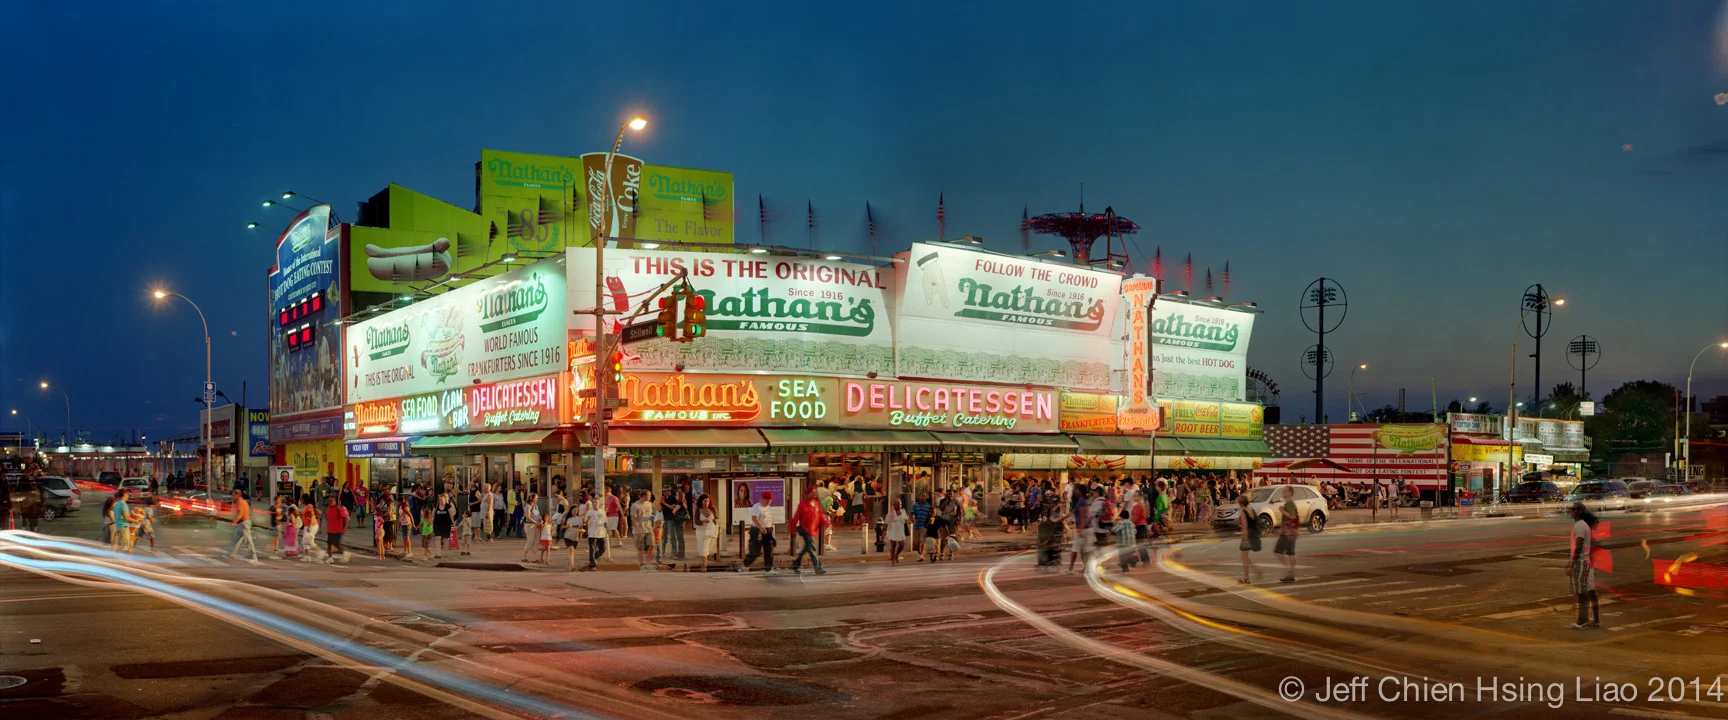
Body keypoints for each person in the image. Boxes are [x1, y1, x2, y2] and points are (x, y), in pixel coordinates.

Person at [1566, 502, 1601, 629]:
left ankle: (1582, 621)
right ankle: (1591, 619)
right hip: (1585, 562)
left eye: (1573, 509)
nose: (1570, 511)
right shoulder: (1581, 525)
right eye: (1570, 509)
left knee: (1583, 592)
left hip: (1583, 562)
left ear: (1580, 511)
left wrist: (1572, 564)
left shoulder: (1581, 526)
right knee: (1587, 592)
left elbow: (1579, 546)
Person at [789, 490, 829, 575]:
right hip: (805, 530)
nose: (814, 494)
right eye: (812, 492)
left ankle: (795, 564)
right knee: (811, 549)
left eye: (815, 492)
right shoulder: (802, 505)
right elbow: (795, 518)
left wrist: (826, 522)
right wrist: (792, 529)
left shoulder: (817, 504)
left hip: (814, 530)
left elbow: (821, 514)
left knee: (807, 548)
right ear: (807, 494)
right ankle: (817, 567)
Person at [736, 491, 777, 575]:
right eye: (766, 500)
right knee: (755, 551)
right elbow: (754, 518)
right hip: (757, 530)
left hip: (768, 530)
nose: (768, 502)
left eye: (770, 501)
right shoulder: (757, 507)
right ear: (762, 499)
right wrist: (761, 528)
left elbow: (769, 519)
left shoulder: (768, 507)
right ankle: (744, 565)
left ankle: (769, 569)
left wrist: (771, 532)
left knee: (769, 550)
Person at [1274, 487, 1300, 583]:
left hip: (1287, 532)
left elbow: (1292, 516)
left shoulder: (1289, 503)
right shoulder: (1291, 503)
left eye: (1285, 491)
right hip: (1292, 532)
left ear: (1290, 493)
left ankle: (1288, 571)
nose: (1283, 493)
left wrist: (1282, 510)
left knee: (1278, 552)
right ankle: (1291, 574)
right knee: (1291, 553)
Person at [1067, 487, 1094, 573]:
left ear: (1081, 492)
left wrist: (1080, 529)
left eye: (1077, 490)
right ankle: (1086, 567)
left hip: (1083, 529)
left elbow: (1083, 516)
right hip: (1086, 528)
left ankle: (1070, 568)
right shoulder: (1081, 501)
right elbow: (1075, 513)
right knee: (1085, 550)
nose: (1075, 491)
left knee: (1075, 549)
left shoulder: (1082, 501)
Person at [229, 489, 260, 562]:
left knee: (248, 540)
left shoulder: (239, 502)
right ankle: (232, 554)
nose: (232, 496)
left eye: (233, 495)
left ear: (237, 495)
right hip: (243, 523)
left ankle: (253, 556)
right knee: (236, 539)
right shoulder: (242, 501)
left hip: (244, 523)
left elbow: (241, 513)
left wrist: (235, 521)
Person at [630, 490, 657, 571]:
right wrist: (638, 530)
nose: (650, 496)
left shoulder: (650, 504)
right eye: (649, 495)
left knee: (652, 545)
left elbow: (653, 514)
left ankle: (648, 562)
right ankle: (641, 564)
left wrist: (655, 520)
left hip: (648, 528)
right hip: (639, 529)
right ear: (643, 496)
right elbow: (634, 518)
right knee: (640, 548)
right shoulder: (635, 505)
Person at [1236, 494, 1259, 583]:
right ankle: (1254, 571)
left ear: (1241, 503)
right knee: (1245, 557)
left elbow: (1245, 526)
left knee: (1244, 558)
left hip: (1247, 536)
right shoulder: (1251, 510)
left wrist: (1244, 537)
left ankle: (1247, 577)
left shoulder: (1243, 512)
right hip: (1254, 535)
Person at [659, 487, 686, 561]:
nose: (664, 492)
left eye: (665, 491)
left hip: (671, 519)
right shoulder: (664, 498)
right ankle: (663, 551)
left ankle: (674, 552)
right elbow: (661, 507)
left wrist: (664, 503)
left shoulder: (673, 498)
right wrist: (661, 506)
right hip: (665, 518)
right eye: (663, 491)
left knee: (672, 536)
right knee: (663, 536)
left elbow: (673, 508)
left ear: (669, 491)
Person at [693, 494, 719, 571]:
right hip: (701, 533)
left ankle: (703, 563)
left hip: (711, 532)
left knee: (709, 551)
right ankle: (704, 567)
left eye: (707, 501)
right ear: (701, 502)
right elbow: (696, 521)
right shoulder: (698, 510)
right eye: (704, 501)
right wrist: (703, 521)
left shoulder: (713, 509)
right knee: (703, 550)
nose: (706, 503)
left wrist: (715, 521)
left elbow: (717, 518)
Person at [583, 497, 609, 571]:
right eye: (593, 502)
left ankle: (592, 558)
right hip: (592, 533)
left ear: (599, 504)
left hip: (601, 533)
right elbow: (586, 523)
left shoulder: (602, 512)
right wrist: (588, 519)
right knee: (592, 549)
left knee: (603, 549)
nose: (594, 504)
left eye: (596, 502)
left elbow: (605, 521)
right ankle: (592, 565)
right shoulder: (589, 512)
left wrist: (606, 527)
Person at [521, 492, 543, 563]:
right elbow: (528, 517)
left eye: (537, 498)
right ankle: (524, 557)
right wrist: (536, 523)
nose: (537, 499)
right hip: (530, 525)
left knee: (536, 541)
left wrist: (541, 520)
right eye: (536, 498)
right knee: (530, 541)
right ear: (531, 498)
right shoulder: (527, 506)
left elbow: (538, 515)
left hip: (537, 525)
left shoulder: (536, 506)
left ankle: (534, 558)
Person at [910, 493, 932, 562]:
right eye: (922, 495)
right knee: (916, 542)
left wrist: (928, 525)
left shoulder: (928, 506)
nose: (923, 497)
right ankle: (919, 554)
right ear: (919, 497)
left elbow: (931, 515)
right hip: (916, 525)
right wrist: (912, 519)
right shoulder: (915, 505)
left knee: (922, 541)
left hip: (924, 526)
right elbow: (911, 513)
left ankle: (921, 554)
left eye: (925, 496)